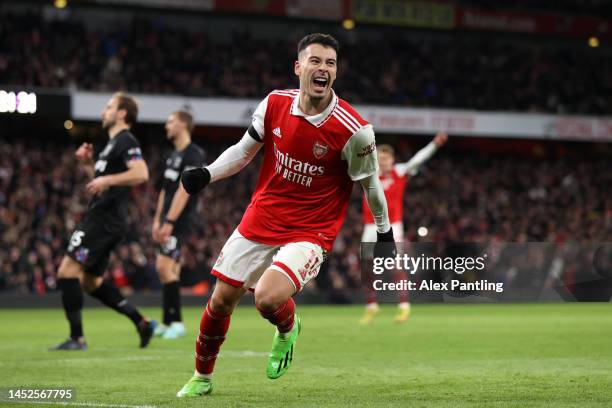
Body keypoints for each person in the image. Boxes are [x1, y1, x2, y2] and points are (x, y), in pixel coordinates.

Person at [175, 33, 395, 397]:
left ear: (335, 72)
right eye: (316, 61)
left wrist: (385, 233)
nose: (323, 68)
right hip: (262, 216)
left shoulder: (354, 130)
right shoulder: (275, 103)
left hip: (311, 230)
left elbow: (370, 185)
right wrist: (208, 173)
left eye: (330, 63)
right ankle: (202, 377)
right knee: (220, 301)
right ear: (299, 67)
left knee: (266, 297)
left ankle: (287, 329)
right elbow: (244, 151)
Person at [50, 92, 156, 351]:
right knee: (90, 283)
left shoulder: (125, 140)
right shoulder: (111, 146)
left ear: (122, 113)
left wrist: (105, 179)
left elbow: (141, 173)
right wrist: (89, 166)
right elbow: (102, 185)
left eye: (109, 107)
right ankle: (141, 322)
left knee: (67, 271)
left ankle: (77, 338)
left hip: (104, 218)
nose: (102, 112)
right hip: (107, 218)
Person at [359, 132, 448, 325]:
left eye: (386, 159)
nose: (382, 162)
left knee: (395, 266)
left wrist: (435, 144)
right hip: (369, 226)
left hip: (392, 226)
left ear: (392, 160)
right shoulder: (369, 172)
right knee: (366, 266)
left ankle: (404, 306)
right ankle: (371, 306)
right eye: (379, 159)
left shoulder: (400, 172)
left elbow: (419, 158)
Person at [152, 110, 206, 339]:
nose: (167, 125)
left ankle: (176, 322)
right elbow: (165, 190)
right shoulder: (172, 156)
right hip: (168, 220)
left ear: (183, 125)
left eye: (171, 121)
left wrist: (171, 222)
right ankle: (167, 322)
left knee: (165, 267)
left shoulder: (194, 154)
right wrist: (157, 220)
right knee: (168, 269)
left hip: (180, 221)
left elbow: (185, 191)